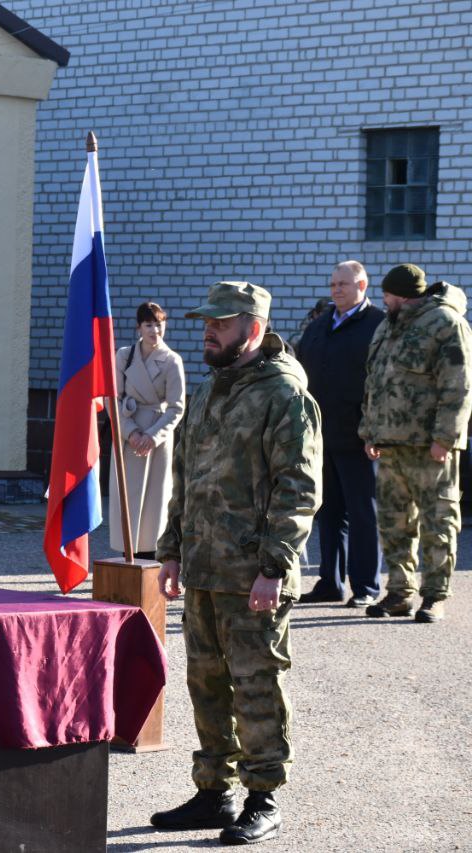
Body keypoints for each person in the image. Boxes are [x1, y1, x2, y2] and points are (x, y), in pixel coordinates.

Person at [152, 282, 321, 846]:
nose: (207, 331)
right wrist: (171, 549)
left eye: (219, 324)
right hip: (202, 568)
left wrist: (274, 567)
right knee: (207, 684)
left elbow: (298, 488)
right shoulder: (207, 391)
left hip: (252, 573)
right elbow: (185, 478)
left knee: (256, 687)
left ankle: (263, 797)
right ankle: (213, 794)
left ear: (252, 328)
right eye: (205, 322)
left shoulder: (283, 393)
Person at [360, 264, 472, 623]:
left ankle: (434, 596)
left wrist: (445, 438)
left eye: (388, 294)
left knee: (438, 522)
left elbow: (458, 385)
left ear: (404, 295)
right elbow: (374, 383)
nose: (383, 300)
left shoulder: (445, 322)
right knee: (394, 523)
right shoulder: (387, 325)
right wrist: (370, 431)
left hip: (430, 447)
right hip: (390, 445)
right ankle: (399, 592)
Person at [295, 261, 385, 606]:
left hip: (360, 438)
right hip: (321, 437)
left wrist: (375, 430)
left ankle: (365, 586)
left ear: (362, 285)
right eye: (333, 284)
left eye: (343, 284)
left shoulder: (378, 325)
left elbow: (383, 382)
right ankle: (329, 582)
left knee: (363, 513)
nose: (336, 290)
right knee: (328, 512)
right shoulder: (319, 325)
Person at [108, 301, 185, 559]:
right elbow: (113, 399)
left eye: (159, 324)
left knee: (154, 503)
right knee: (126, 499)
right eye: (149, 324)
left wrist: (152, 436)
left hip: (156, 436)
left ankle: (150, 558)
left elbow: (176, 407)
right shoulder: (123, 355)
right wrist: (130, 432)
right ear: (138, 327)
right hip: (127, 434)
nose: (155, 330)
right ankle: (125, 555)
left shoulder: (172, 361)